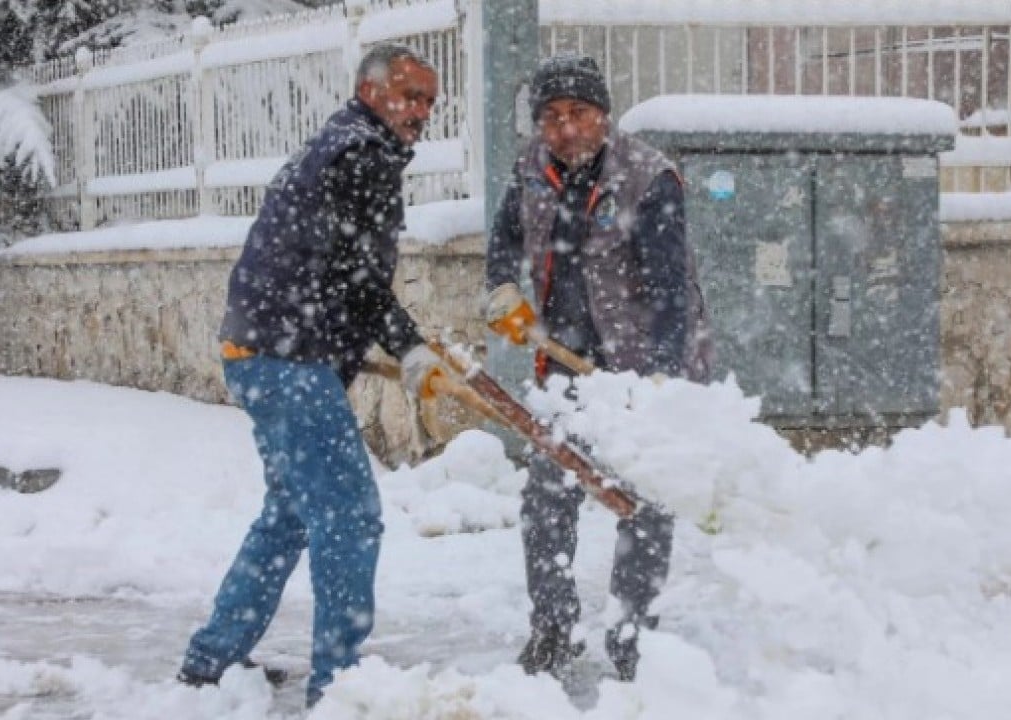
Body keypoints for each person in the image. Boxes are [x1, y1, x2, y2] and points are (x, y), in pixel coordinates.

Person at [176, 42, 447, 708]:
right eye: (409, 97)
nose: (420, 113)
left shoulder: (339, 145)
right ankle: (341, 686)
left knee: (291, 513)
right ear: (370, 89)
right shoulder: (362, 155)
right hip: (288, 360)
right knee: (350, 516)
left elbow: (334, 265)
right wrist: (408, 346)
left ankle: (211, 662)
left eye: (429, 102)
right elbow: (355, 272)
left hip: (256, 353)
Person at [483, 53, 713, 681]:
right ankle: (552, 628)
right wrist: (501, 287)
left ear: (604, 117)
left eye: (577, 114)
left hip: (640, 367)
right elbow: (502, 241)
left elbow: (672, 288)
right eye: (551, 117)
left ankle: (633, 640)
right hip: (563, 368)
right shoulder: (531, 171)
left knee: (642, 505)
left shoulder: (648, 177)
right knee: (547, 497)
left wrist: (662, 378)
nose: (563, 129)